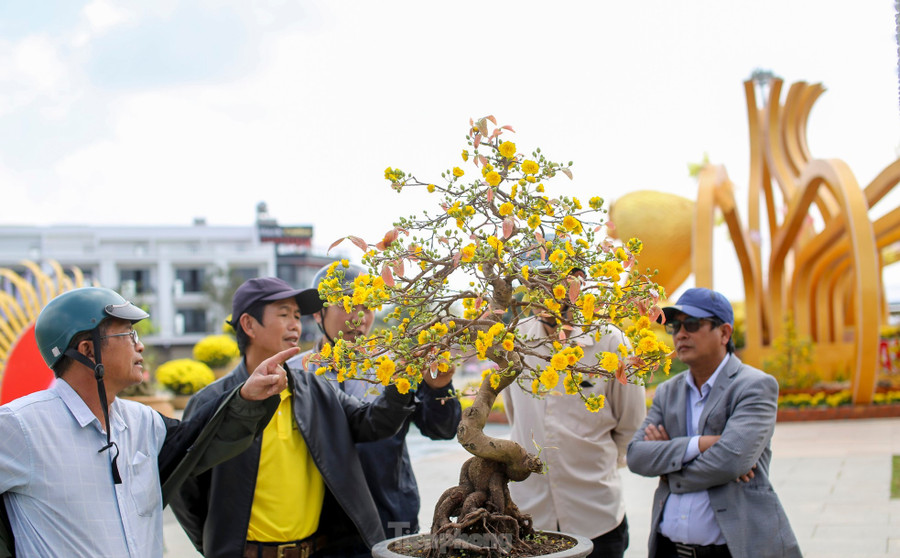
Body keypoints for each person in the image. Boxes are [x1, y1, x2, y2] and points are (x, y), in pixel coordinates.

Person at [0, 287, 291, 558]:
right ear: (88, 350)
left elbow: (203, 441)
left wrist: (246, 397)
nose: (140, 347)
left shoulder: (144, 421)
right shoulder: (21, 426)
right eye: (128, 335)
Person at [170, 277, 416, 558]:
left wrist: (401, 383)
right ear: (249, 325)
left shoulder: (315, 388)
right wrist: (218, 542)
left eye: (297, 316)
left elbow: (372, 424)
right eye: (284, 314)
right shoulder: (211, 401)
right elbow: (184, 486)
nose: (295, 325)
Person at [289, 264, 461, 551]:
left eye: (369, 307)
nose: (360, 317)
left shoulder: (395, 367)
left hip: (392, 515)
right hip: (322, 525)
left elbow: (441, 429)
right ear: (318, 313)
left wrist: (439, 388)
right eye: (348, 305)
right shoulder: (294, 373)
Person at [626, 287, 801, 558]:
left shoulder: (754, 386)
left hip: (733, 549)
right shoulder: (667, 391)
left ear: (725, 333)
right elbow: (636, 457)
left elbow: (731, 461)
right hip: (669, 549)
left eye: (693, 324)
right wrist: (702, 444)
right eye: (675, 326)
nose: (681, 334)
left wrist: (669, 465)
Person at [504, 268, 646, 558]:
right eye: (535, 281)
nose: (543, 289)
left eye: (553, 280)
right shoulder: (514, 341)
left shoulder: (610, 341)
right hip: (529, 515)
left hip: (596, 514)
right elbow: (514, 415)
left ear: (577, 283)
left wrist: (591, 466)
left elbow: (631, 424)